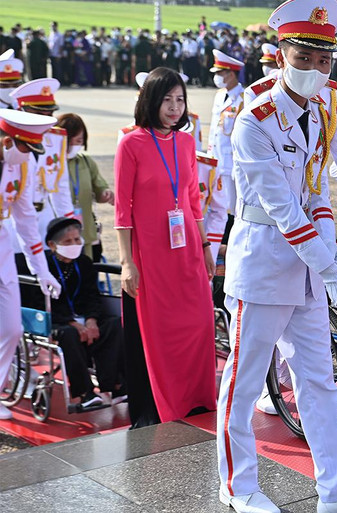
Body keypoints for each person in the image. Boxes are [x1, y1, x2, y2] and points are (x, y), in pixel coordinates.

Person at [217, 1, 337, 512]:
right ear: (281, 55)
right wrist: (330, 266)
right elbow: (281, 206)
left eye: (324, 61)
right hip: (262, 262)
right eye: (305, 57)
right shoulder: (253, 120)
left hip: (307, 263)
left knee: (320, 380)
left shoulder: (324, 110)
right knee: (245, 379)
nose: (316, 70)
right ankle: (239, 488)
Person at [115, 67, 216, 428]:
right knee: (160, 332)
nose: (174, 108)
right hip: (151, 252)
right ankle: (162, 406)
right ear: (150, 101)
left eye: (180, 100)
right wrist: (127, 262)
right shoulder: (131, 143)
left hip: (187, 246)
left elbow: (192, 199)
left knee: (200, 324)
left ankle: (196, 398)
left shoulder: (187, 142)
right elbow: (122, 211)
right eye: (166, 100)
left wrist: (205, 246)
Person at [24, 218, 126, 409]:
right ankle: (84, 393)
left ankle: (116, 386)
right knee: (69, 335)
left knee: (114, 324)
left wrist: (91, 320)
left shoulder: (84, 262)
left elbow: (92, 296)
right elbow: (40, 304)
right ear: (52, 245)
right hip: (56, 320)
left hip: (84, 317)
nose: (74, 245)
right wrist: (74, 323)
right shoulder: (43, 267)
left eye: (77, 239)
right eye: (68, 242)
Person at [0, 109, 61, 420]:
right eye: (25, 148)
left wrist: (42, 270)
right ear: (8, 141)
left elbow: (26, 224)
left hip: (2, 249)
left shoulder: (21, 168)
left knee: (11, 328)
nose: (29, 156)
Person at [11, 78, 75, 238]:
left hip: (45, 217)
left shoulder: (56, 138)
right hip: (11, 220)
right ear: (21, 110)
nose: (46, 120)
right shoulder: (7, 139)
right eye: (39, 114)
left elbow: (62, 187)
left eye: (50, 114)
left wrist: (69, 225)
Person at [55, 113, 113, 260]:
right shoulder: (50, 164)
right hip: (59, 237)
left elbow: (99, 187)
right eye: (71, 141)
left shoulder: (86, 162)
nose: (75, 146)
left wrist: (105, 193)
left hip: (85, 234)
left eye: (79, 141)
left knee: (87, 276)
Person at [208, 49, 244, 214]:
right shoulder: (219, 95)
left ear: (230, 74)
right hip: (216, 159)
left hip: (231, 162)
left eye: (220, 73)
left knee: (233, 206)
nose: (217, 77)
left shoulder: (243, 99)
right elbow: (214, 129)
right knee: (216, 205)